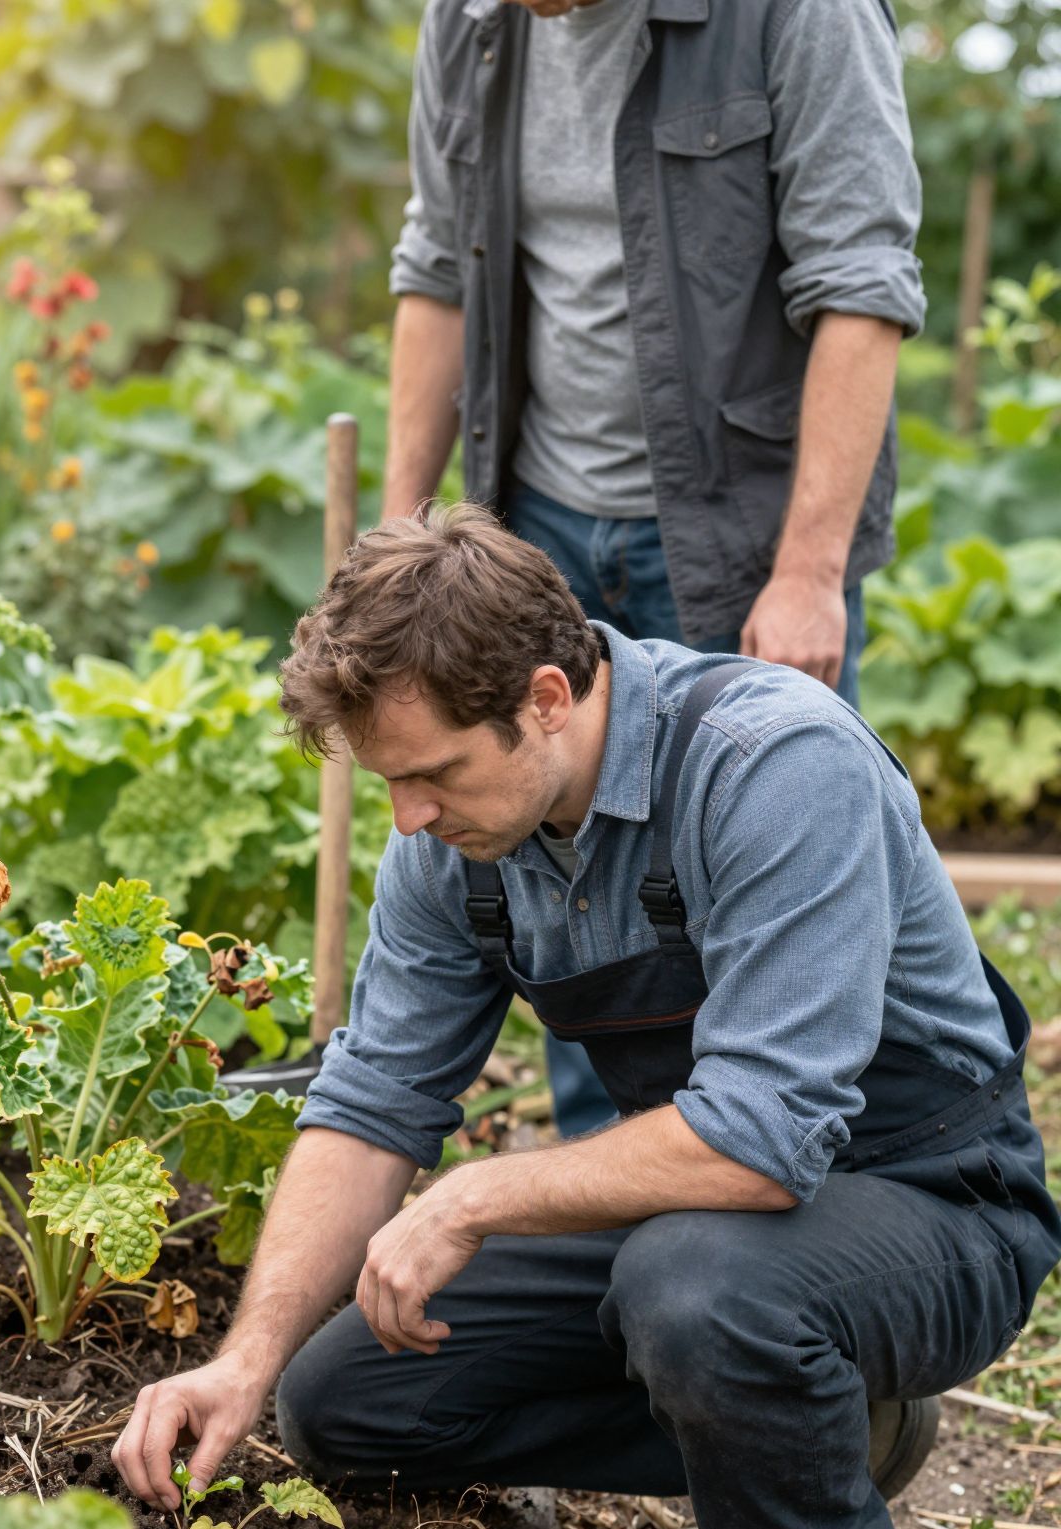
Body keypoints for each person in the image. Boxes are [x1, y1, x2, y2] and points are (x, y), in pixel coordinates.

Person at [111, 506, 1061, 1529]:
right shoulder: (464, 849)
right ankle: (818, 1449)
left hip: (932, 1201)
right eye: (387, 780)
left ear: (547, 697)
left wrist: (480, 1196)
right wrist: (242, 1359)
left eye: (431, 772)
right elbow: (376, 1100)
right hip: (712, 1201)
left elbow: (769, 1138)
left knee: (699, 1291)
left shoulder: (771, 765)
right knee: (350, 1403)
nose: (407, 816)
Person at [384, 0, 925, 1136]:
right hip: (535, 524)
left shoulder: (801, 14)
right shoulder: (476, 19)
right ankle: (610, 1224)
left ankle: (820, 1211)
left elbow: (861, 283)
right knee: (572, 896)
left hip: (739, 541)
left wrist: (809, 572)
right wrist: (400, 549)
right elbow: (437, 265)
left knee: (766, 885)